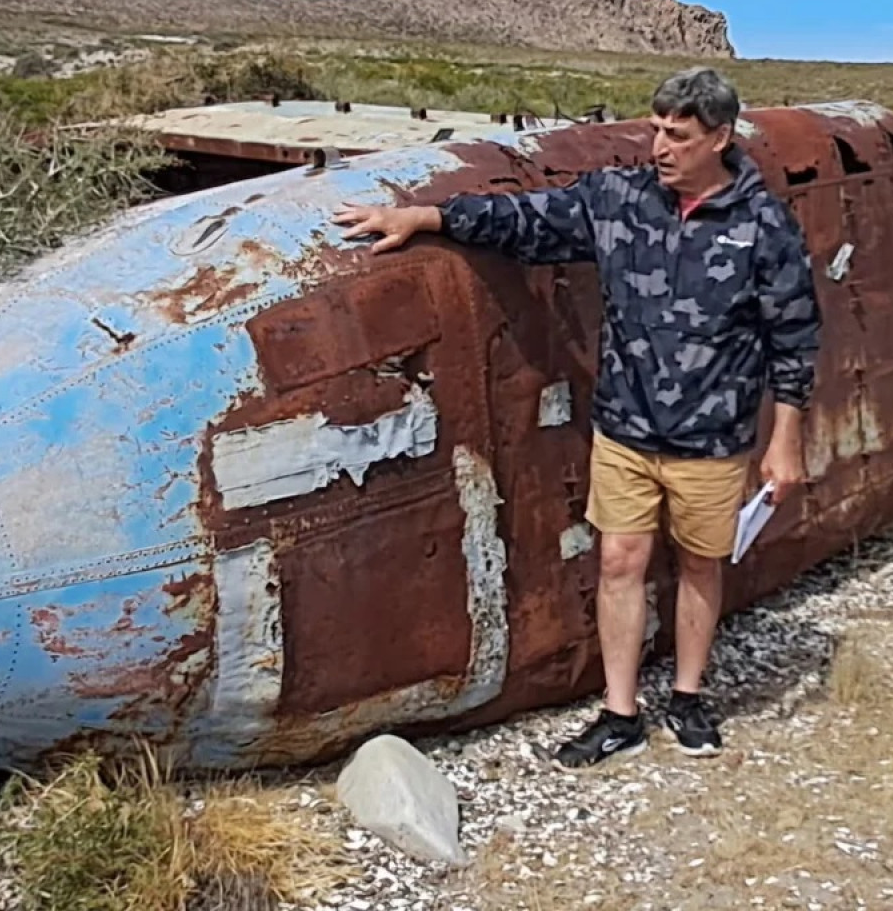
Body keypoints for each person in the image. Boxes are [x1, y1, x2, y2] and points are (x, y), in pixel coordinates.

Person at [331, 67, 822, 768]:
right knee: (620, 561)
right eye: (655, 129)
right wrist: (427, 218)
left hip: (711, 436)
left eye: (677, 136)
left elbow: (795, 334)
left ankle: (686, 697)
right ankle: (620, 712)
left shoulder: (762, 226)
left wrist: (786, 438)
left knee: (701, 566)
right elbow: (526, 220)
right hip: (624, 426)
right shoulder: (618, 199)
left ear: (719, 138)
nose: (659, 146)